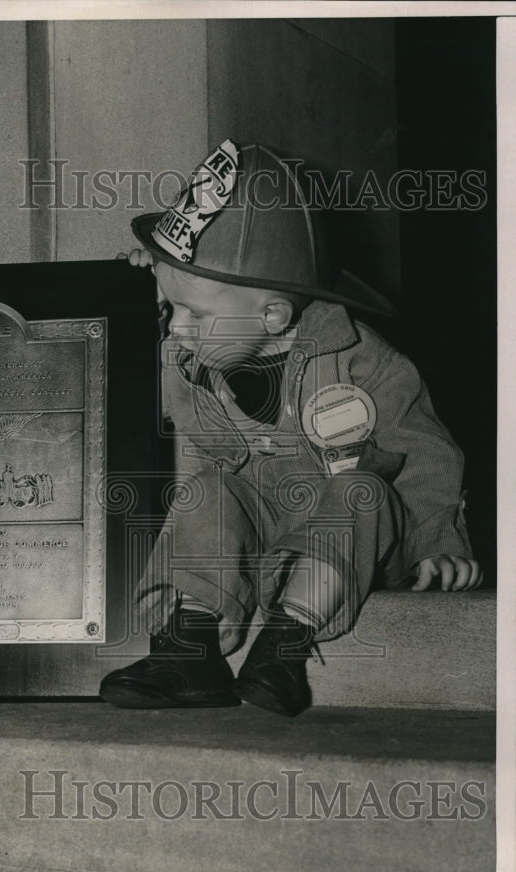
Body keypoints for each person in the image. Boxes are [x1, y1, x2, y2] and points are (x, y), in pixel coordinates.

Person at [99, 139, 481, 716]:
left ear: (273, 315)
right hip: (265, 532)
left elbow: (425, 450)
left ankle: (283, 647)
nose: (177, 329)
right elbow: (167, 326)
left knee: (360, 489)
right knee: (210, 489)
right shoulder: (191, 359)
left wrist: (437, 541)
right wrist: (153, 283)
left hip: (357, 535)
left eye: (194, 316)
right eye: (168, 310)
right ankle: (191, 648)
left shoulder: (359, 360)